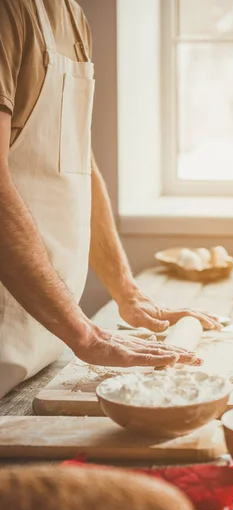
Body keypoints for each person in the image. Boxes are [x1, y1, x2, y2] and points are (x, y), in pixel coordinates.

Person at [0, 0, 220, 399]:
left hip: (50, 341)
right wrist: (85, 335)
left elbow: (77, 162)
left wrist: (126, 291)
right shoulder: (8, 14)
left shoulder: (74, 17)